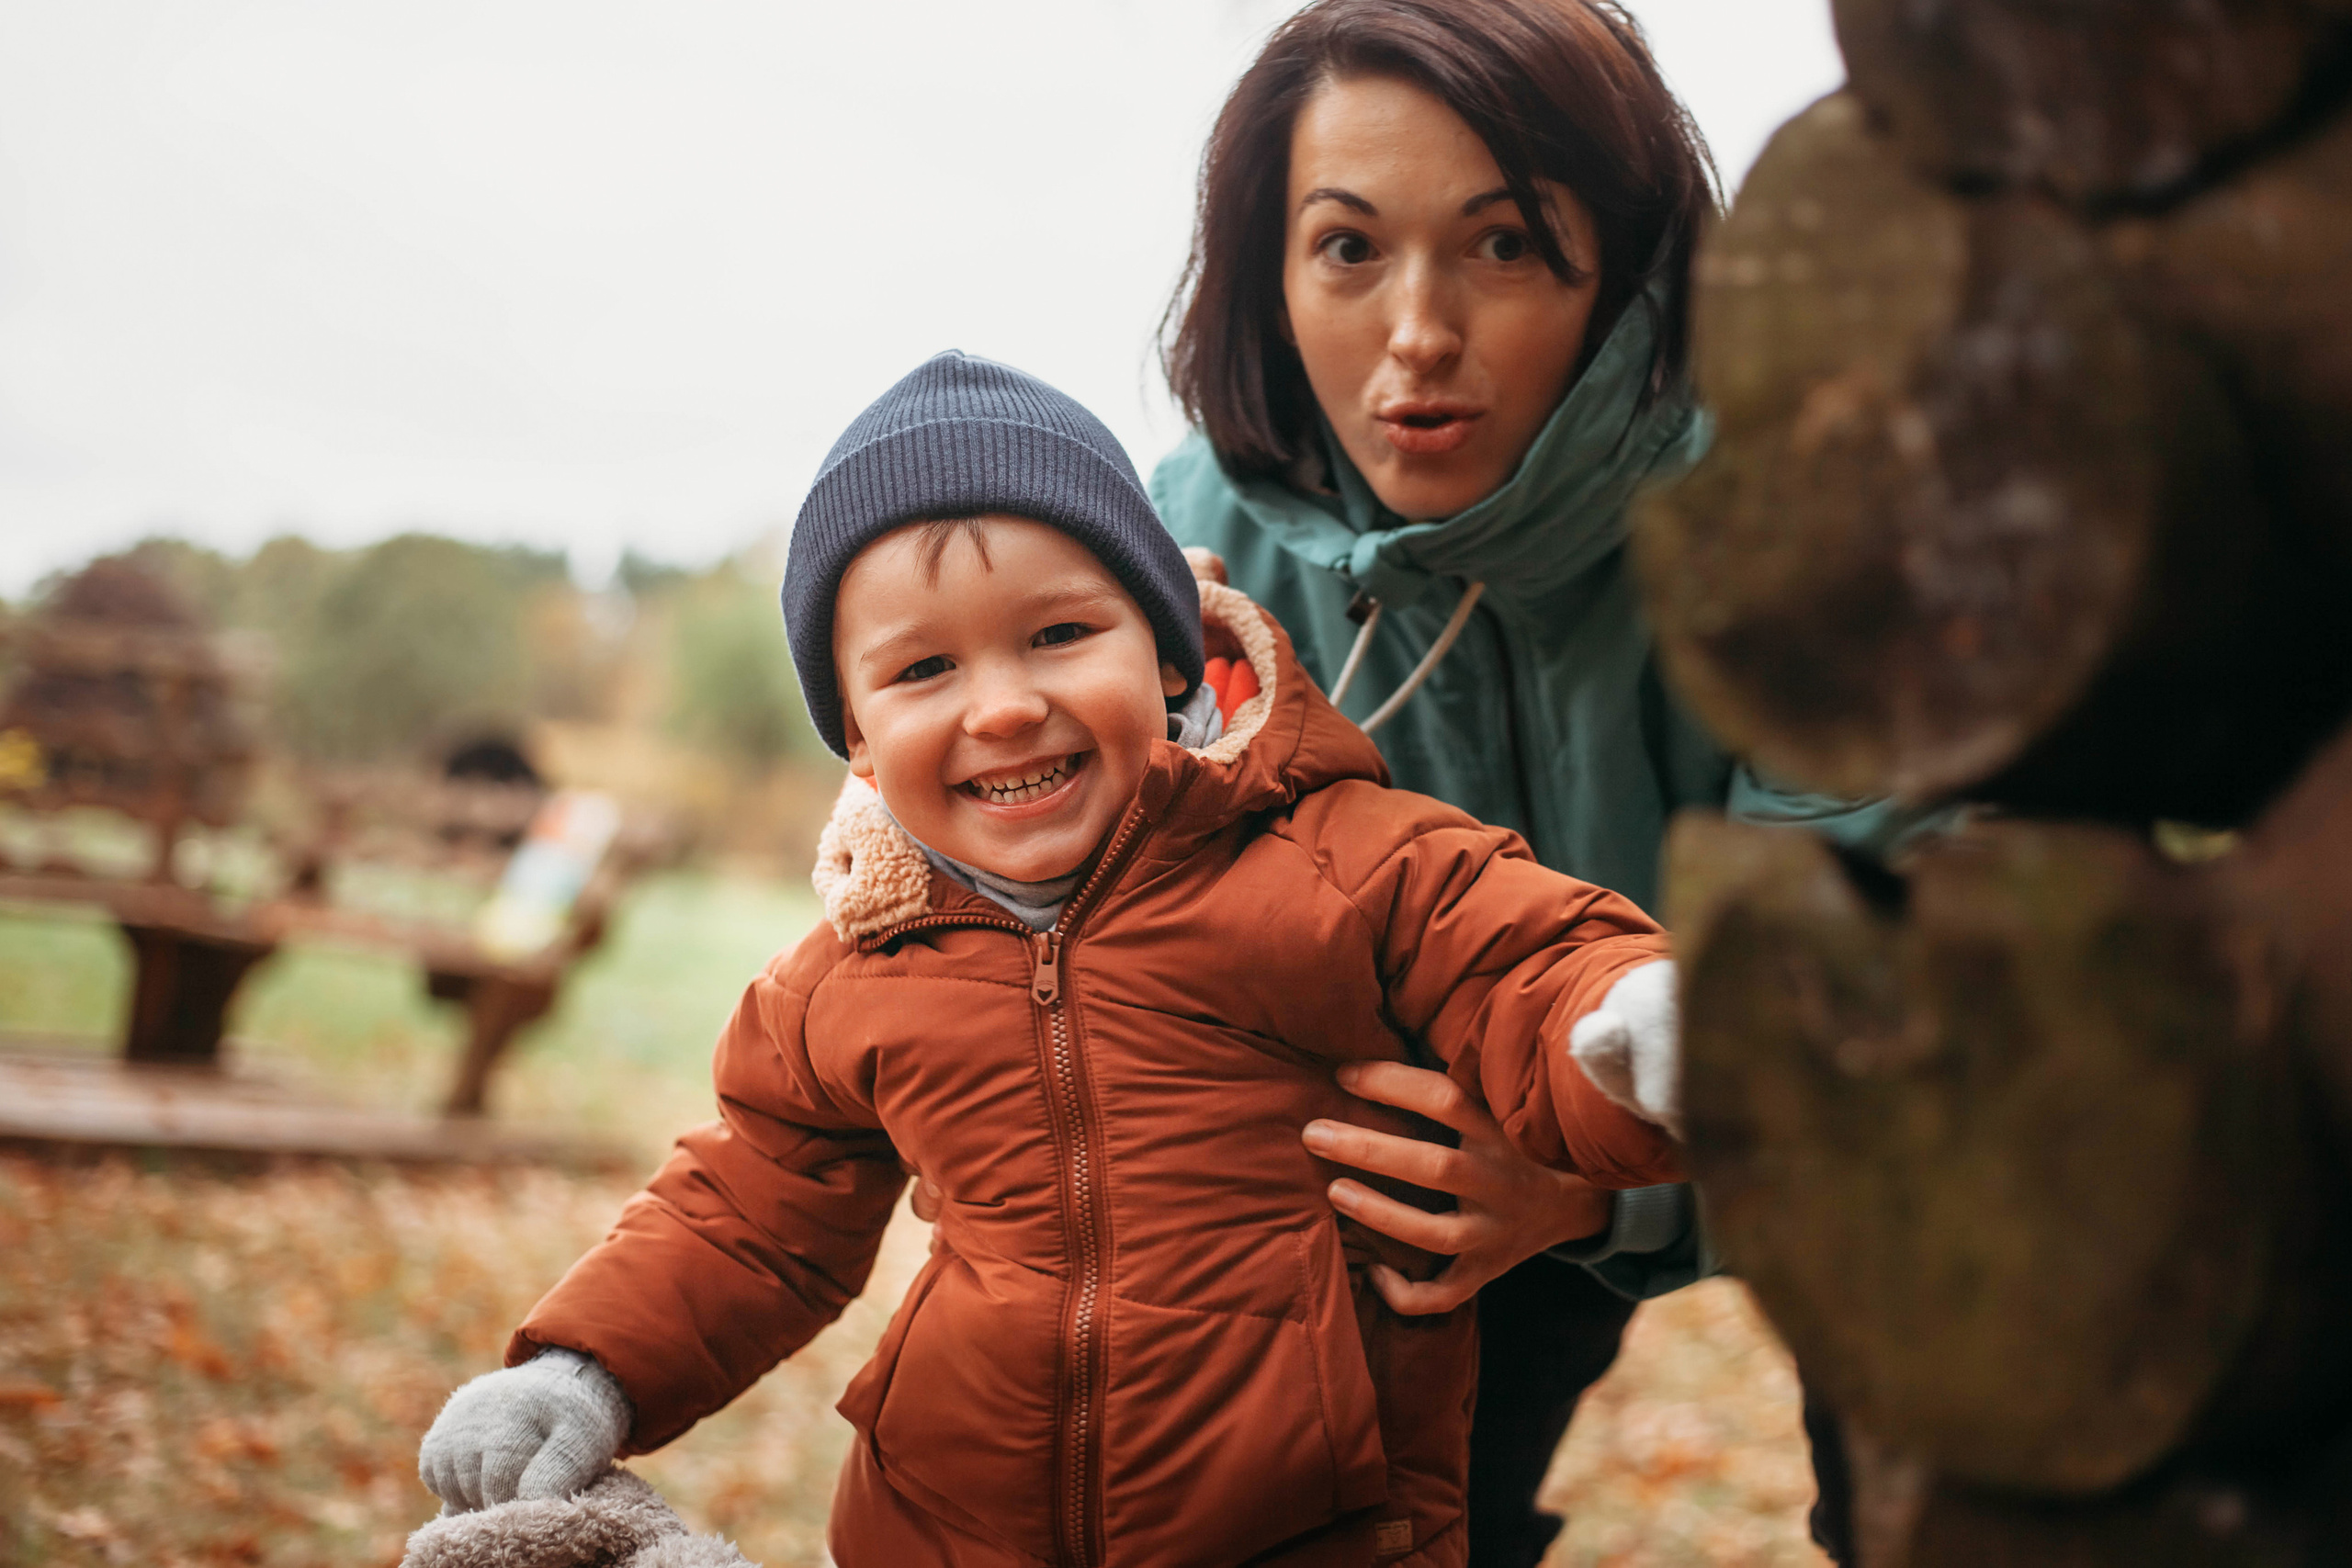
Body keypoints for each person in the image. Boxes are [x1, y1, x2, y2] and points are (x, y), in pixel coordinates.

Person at [414, 350, 1695, 1566]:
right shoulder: (859, 965)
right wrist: (585, 1371)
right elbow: (753, 1209)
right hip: (936, 1531)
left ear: (1167, 644)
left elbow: (1521, 956)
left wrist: (1630, 1022)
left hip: (1315, 1527)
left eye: (1059, 635)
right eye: (923, 668)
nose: (1004, 703)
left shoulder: (1336, 859)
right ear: (857, 741)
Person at [1150, 4, 1901, 1562]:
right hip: (1431, 1168)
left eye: (1504, 247)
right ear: (1267, 271)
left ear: (1622, 266)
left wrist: (1594, 1183)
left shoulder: (1805, 514)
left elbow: (1896, 952)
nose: (1417, 331)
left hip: (1845, 1122)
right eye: (1348, 250)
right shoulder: (1192, 557)